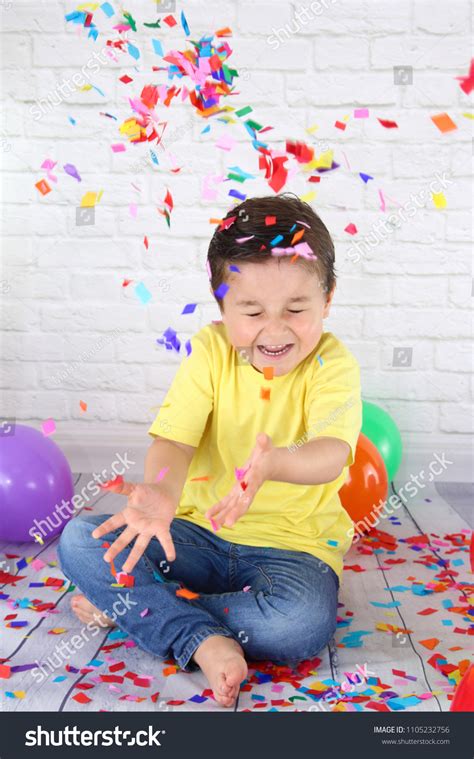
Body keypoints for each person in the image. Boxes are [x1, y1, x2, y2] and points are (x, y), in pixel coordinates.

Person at [58, 193, 362, 708]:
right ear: (221, 302)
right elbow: (175, 439)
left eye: (296, 309)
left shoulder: (332, 364)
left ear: (327, 299)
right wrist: (161, 491)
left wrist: (275, 465)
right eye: (251, 310)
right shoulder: (209, 351)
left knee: (301, 624)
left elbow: (333, 450)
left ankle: (143, 608)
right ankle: (202, 637)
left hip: (293, 549)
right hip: (196, 534)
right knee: (80, 538)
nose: (275, 328)